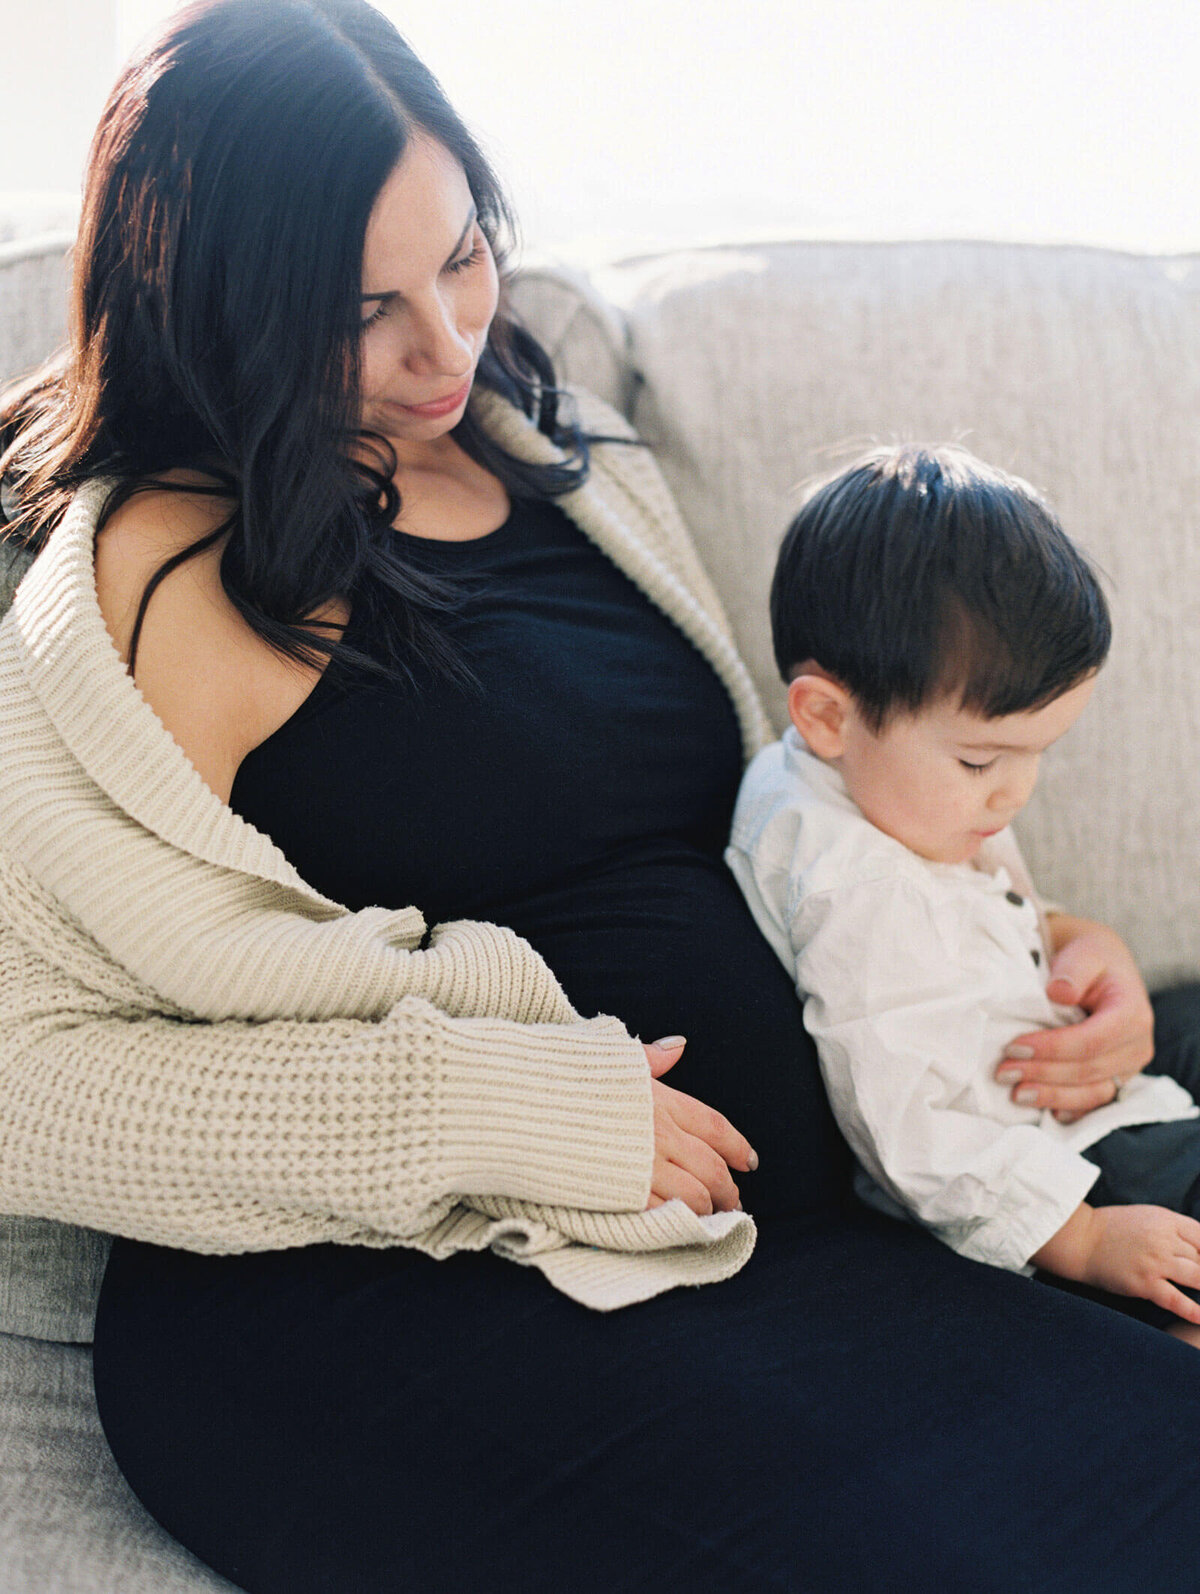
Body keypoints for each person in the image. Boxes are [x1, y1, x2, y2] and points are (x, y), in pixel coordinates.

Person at [0, 3, 1199, 1590]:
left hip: (791, 1208)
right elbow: (29, 1080)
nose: (444, 343)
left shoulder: (540, 437)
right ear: (219, 302)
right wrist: (523, 1113)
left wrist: (1033, 936)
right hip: (427, 1287)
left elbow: (808, 780)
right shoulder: (158, 569)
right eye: (362, 308)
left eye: (462, 254)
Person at [726, 444, 1200, 1339]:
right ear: (825, 716)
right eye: (984, 759)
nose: (1015, 793)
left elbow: (992, 915)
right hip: (1056, 1171)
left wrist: (1075, 936)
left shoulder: (891, 785)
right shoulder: (853, 885)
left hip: (1073, 1090)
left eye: (1038, 754)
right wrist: (1088, 1237)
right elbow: (906, 1127)